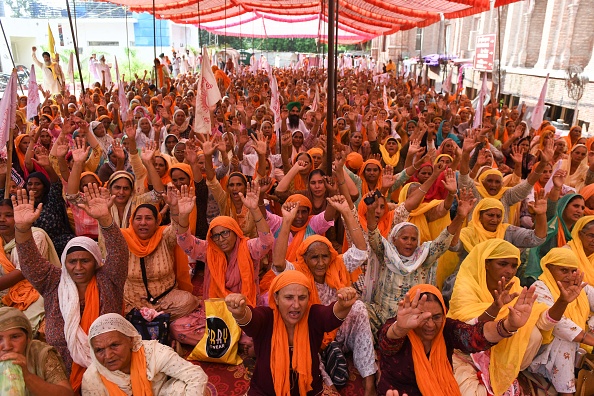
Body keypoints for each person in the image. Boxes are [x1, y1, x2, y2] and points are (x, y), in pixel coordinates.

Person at [13, 185, 128, 392]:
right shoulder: (54, 282)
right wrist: (22, 229)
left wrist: (105, 219)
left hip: (108, 363)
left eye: (85, 261)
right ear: (64, 262)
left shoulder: (109, 279)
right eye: (72, 261)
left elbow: (119, 253)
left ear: (96, 262)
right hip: (62, 369)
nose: (78, 267)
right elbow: (30, 262)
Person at [272, 195, 376, 395]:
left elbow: (361, 250)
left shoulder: (338, 264)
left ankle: (369, 380)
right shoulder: (298, 271)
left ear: (331, 256)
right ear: (305, 259)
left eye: (324, 257)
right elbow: (278, 264)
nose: (320, 263)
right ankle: (327, 384)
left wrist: (346, 212)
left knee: (359, 307)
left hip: (339, 329)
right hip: (312, 334)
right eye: (314, 258)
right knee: (298, 333)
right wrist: (286, 221)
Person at [377, 284, 540, 396]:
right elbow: (387, 343)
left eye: (436, 317)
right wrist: (401, 328)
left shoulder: (446, 329)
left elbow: (475, 336)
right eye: (422, 317)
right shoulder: (398, 328)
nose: (430, 325)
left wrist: (508, 325)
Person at [448, 239, 559, 396]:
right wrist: (495, 307)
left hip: (500, 354)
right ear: (486, 263)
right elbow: (469, 331)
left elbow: (543, 321)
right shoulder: (466, 285)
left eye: (514, 266)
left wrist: (563, 302)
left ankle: (509, 369)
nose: (509, 271)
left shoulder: (514, 286)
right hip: (466, 352)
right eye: (503, 264)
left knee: (533, 332)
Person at [224, 270, 359, 396]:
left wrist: (343, 305)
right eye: (289, 297)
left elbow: (330, 315)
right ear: (276, 298)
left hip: (308, 392)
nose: (296, 305)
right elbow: (252, 319)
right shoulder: (266, 318)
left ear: (309, 298)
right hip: (265, 392)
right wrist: (240, 312)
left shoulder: (313, 315)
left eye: (302, 297)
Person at [364, 188, 473, 336]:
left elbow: (443, 240)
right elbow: (373, 234)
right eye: (405, 238)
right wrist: (370, 213)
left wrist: (460, 217)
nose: (409, 243)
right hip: (380, 315)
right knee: (358, 310)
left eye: (413, 239)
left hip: (411, 321)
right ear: (394, 240)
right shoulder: (386, 253)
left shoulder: (424, 257)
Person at [81, 313, 208, 395]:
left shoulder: (153, 353)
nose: (108, 356)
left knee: (186, 390)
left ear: (131, 340)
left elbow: (196, 375)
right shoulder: (93, 378)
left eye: (114, 345)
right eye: (99, 350)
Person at [529, 248, 593, 396]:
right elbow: (559, 325)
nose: (570, 276)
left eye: (573, 271)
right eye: (564, 270)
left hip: (578, 345)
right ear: (549, 268)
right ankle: (567, 392)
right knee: (565, 340)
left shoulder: (578, 286)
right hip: (542, 348)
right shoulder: (539, 288)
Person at [0, 307, 73, 395]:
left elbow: (67, 394)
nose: (7, 347)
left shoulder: (41, 354)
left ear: (28, 338)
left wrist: (27, 376)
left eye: (15, 337)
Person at [524, 193, 585, 283]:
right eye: (576, 206)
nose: (579, 210)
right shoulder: (552, 224)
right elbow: (549, 210)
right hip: (538, 274)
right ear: (563, 206)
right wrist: (556, 189)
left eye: (582, 208)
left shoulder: (579, 233)